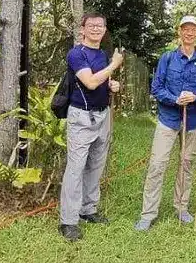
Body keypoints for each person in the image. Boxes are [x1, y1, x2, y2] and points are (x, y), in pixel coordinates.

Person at [135, 15, 196, 231]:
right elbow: (156, 88)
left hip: (193, 122)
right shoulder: (167, 58)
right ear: (179, 32)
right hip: (168, 120)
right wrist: (175, 99)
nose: (189, 33)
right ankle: (148, 214)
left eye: (193, 29)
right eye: (185, 29)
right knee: (157, 165)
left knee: (186, 164)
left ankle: (182, 207)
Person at [58, 13, 123, 242]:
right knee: (75, 169)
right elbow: (90, 81)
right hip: (81, 119)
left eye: (100, 25)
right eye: (91, 25)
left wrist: (112, 85)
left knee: (96, 165)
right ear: (83, 29)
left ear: (105, 30)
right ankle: (68, 221)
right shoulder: (77, 54)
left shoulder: (102, 54)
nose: (96, 29)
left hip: (102, 116)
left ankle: (88, 209)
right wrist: (113, 66)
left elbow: (102, 82)